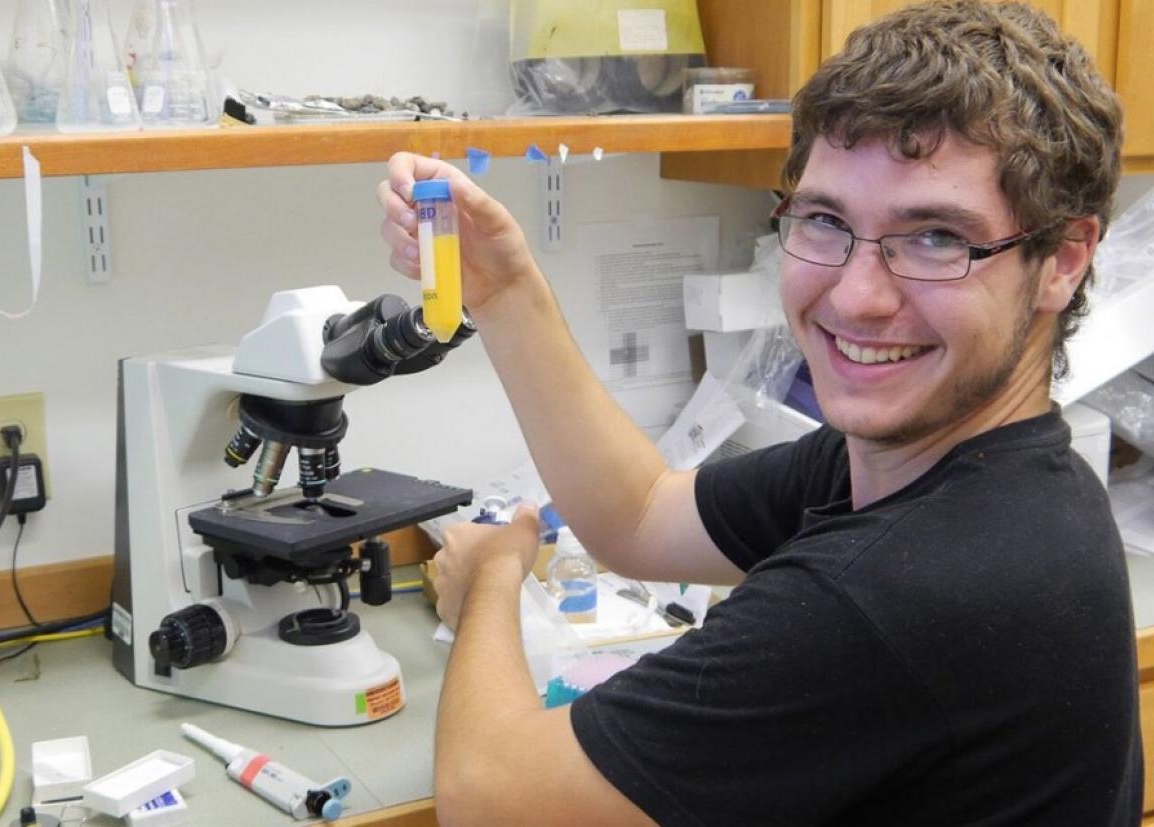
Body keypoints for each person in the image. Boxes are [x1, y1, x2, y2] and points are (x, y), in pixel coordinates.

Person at [374, 1, 1139, 824]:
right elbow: (639, 515)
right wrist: (507, 291)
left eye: (935, 239)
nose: (856, 295)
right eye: (825, 221)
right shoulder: (975, 465)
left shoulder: (902, 593)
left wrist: (490, 579)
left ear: (1061, 261)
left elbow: (490, 800)